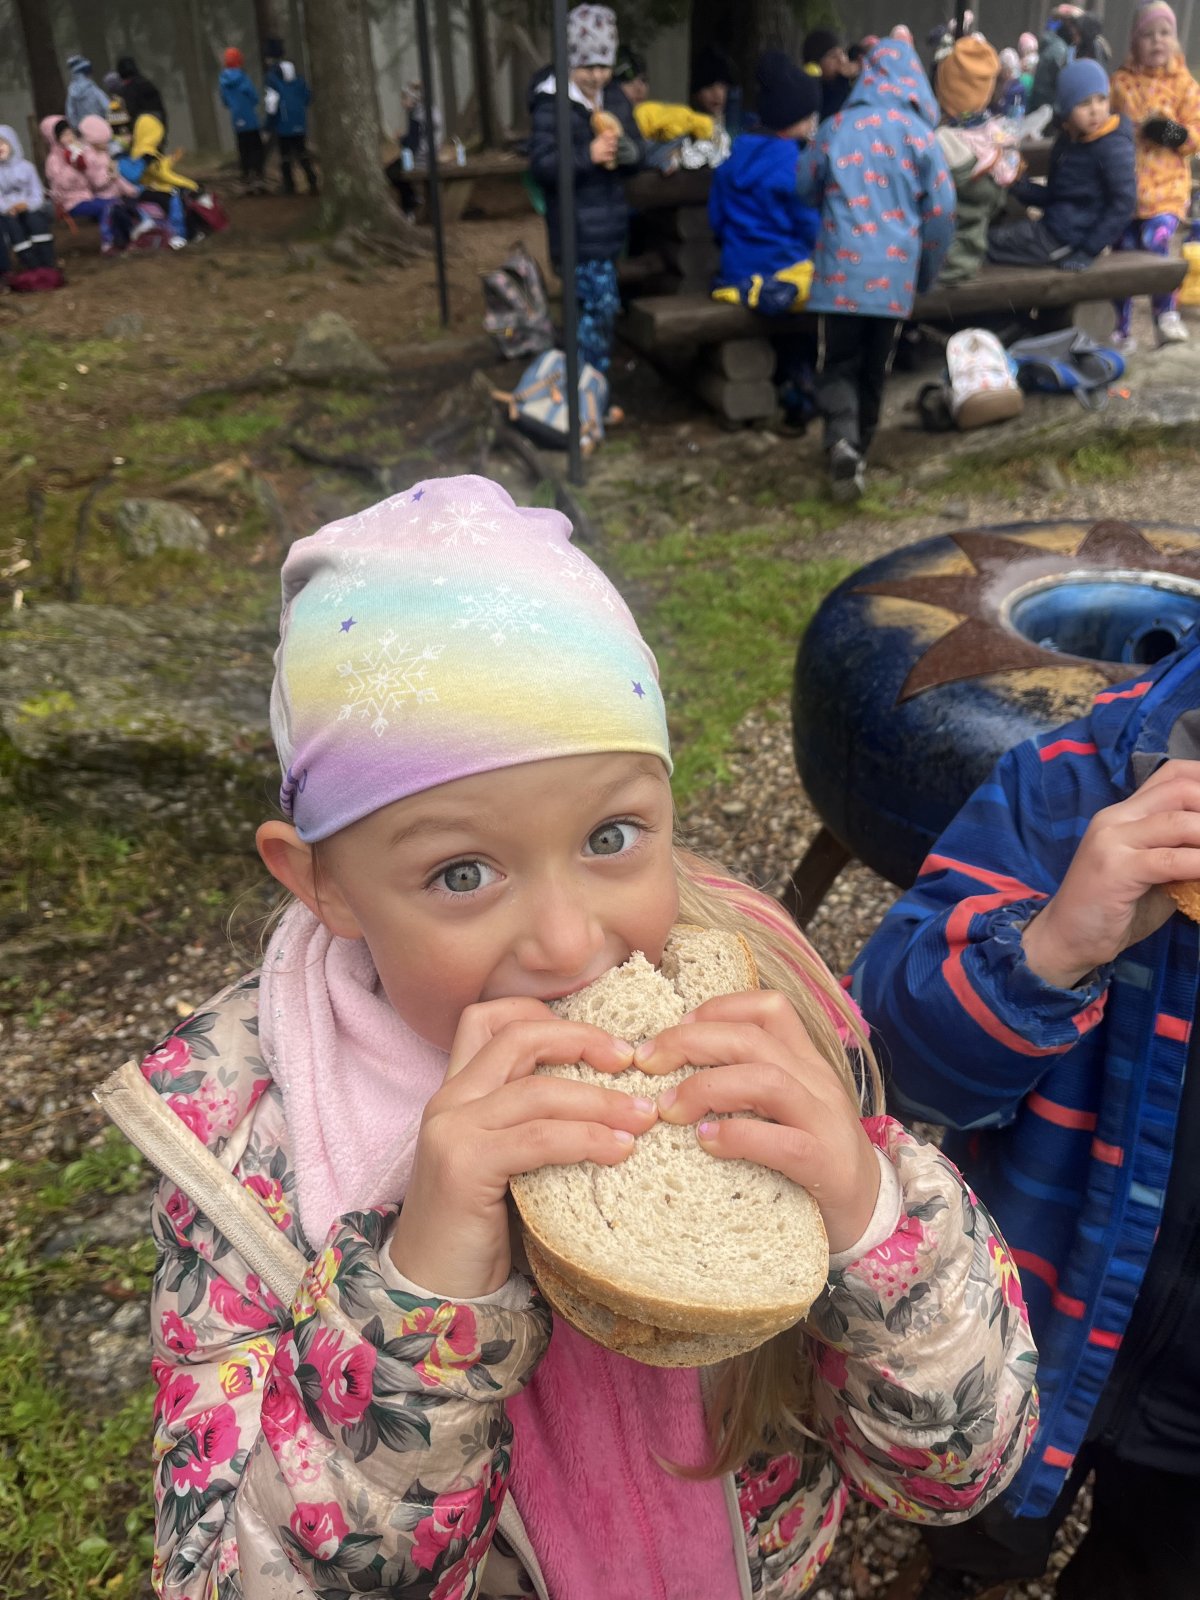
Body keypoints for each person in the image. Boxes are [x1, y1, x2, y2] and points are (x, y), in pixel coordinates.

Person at [125, 471, 1038, 1599]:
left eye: (612, 835)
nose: (567, 943)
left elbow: (960, 1469)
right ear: (325, 884)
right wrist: (419, 1298)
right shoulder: (246, 1147)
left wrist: (869, 1214)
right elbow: (226, 1577)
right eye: (462, 873)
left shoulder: (764, 1011)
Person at [854, 619, 1200, 1600]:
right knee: (980, 1531)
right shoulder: (1071, 787)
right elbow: (886, 1065)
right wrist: (1050, 948)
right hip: (1026, 1332)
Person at [797, 35, 954, 502]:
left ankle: (842, 441)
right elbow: (942, 212)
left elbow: (804, 185)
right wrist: (925, 273)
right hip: (893, 281)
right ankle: (859, 448)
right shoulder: (920, 137)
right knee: (874, 367)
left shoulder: (836, 127)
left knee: (837, 364)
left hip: (840, 278)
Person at [528, 5, 643, 377]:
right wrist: (587, 156)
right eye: (587, 67)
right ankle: (589, 389)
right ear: (569, 63)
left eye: (603, 66)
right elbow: (543, 165)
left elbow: (636, 147)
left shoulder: (615, 99)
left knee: (598, 313)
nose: (597, 76)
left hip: (609, 229)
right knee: (596, 312)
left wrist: (632, 154)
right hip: (574, 231)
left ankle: (585, 385)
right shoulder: (552, 104)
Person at [709, 53, 821, 423]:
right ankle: (800, 384)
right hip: (784, 270)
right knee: (817, 300)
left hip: (737, 271)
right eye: (810, 117)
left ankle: (787, 381)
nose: (814, 123)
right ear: (794, 121)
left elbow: (717, 221)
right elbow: (810, 226)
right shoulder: (795, 165)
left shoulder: (733, 159)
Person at [1109, 2, 1200, 350]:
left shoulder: (1185, 84)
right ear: (1135, 41)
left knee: (1155, 241)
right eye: (1148, 35)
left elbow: (1195, 136)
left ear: (1175, 39)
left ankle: (1166, 314)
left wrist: (1172, 133)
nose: (1157, 41)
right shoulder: (1121, 83)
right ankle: (1121, 328)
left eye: (1164, 33)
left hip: (1167, 191)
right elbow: (1107, 125)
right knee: (1123, 256)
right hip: (1126, 191)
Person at [987, 59, 1135, 270]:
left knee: (983, 244)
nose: (1095, 110)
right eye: (1084, 103)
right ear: (1066, 108)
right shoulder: (1069, 140)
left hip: (1068, 240)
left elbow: (1124, 203)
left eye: (1101, 99)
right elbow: (1059, 195)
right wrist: (1019, 185)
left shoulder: (1112, 146)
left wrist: (1089, 250)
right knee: (990, 238)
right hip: (1057, 228)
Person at [935, 36, 1022, 286]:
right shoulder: (996, 139)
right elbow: (998, 203)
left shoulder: (938, 141)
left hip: (934, 266)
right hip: (972, 259)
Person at [117, 113, 200, 246]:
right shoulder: (145, 153)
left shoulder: (142, 150)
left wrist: (171, 159)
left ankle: (186, 232)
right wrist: (191, 184)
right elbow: (162, 175)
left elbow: (159, 168)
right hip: (145, 189)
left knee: (177, 194)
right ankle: (179, 234)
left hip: (150, 187)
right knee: (175, 197)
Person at [0, 123, 59, 283]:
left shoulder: (27, 167)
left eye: (2, 143)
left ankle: (47, 261)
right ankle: (30, 263)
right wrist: (8, 208)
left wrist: (26, 205)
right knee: (13, 227)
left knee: (36, 220)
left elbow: (37, 193)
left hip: (30, 207)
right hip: (9, 212)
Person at [265, 54, 317, 195]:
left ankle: (289, 186)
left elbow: (271, 106)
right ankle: (312, 181)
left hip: (283, 128)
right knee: (302, 154)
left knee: (285, 157)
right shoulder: (300, 84)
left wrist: (268, 125)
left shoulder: (275, 84)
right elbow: (308, 98)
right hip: (300, 125)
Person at [218, 46, 266, 193]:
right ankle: (258, 176)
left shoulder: (223, 80)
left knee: (243, 148)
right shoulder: (243, 78)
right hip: (249, 117)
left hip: (236, 118)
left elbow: (225, 101)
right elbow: (254, 96)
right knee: (256, 147)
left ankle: (246, 177)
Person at [802, 28, 853, 121]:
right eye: (833, 56)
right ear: (816, 65)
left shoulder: (853, 85)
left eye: (842, 53)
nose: (842, 60)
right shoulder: (809, 95)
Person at [115, 55, 167, 133]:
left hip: (140, 131)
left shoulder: (127, 91)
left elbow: (126, 115)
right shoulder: (148, 84)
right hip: (157, 128)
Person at [64, 54, 111, 129]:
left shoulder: (71, 92)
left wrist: (77, 127)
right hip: (101, 126)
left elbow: (70, 113)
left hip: (84, 129)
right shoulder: (92, 89)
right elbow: (107, 107)